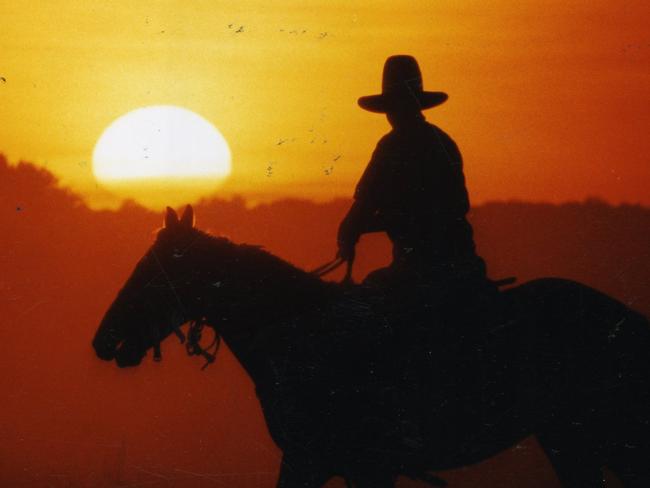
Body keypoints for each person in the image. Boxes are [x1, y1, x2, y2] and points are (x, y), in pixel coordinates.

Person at [337, 55, 487, 298]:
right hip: (461, 261)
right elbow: (456, 206)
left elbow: (364, 204)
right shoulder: (442, 141)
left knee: (370, 296)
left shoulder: (392, 146)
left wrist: (349, 232)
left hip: (418, 266)